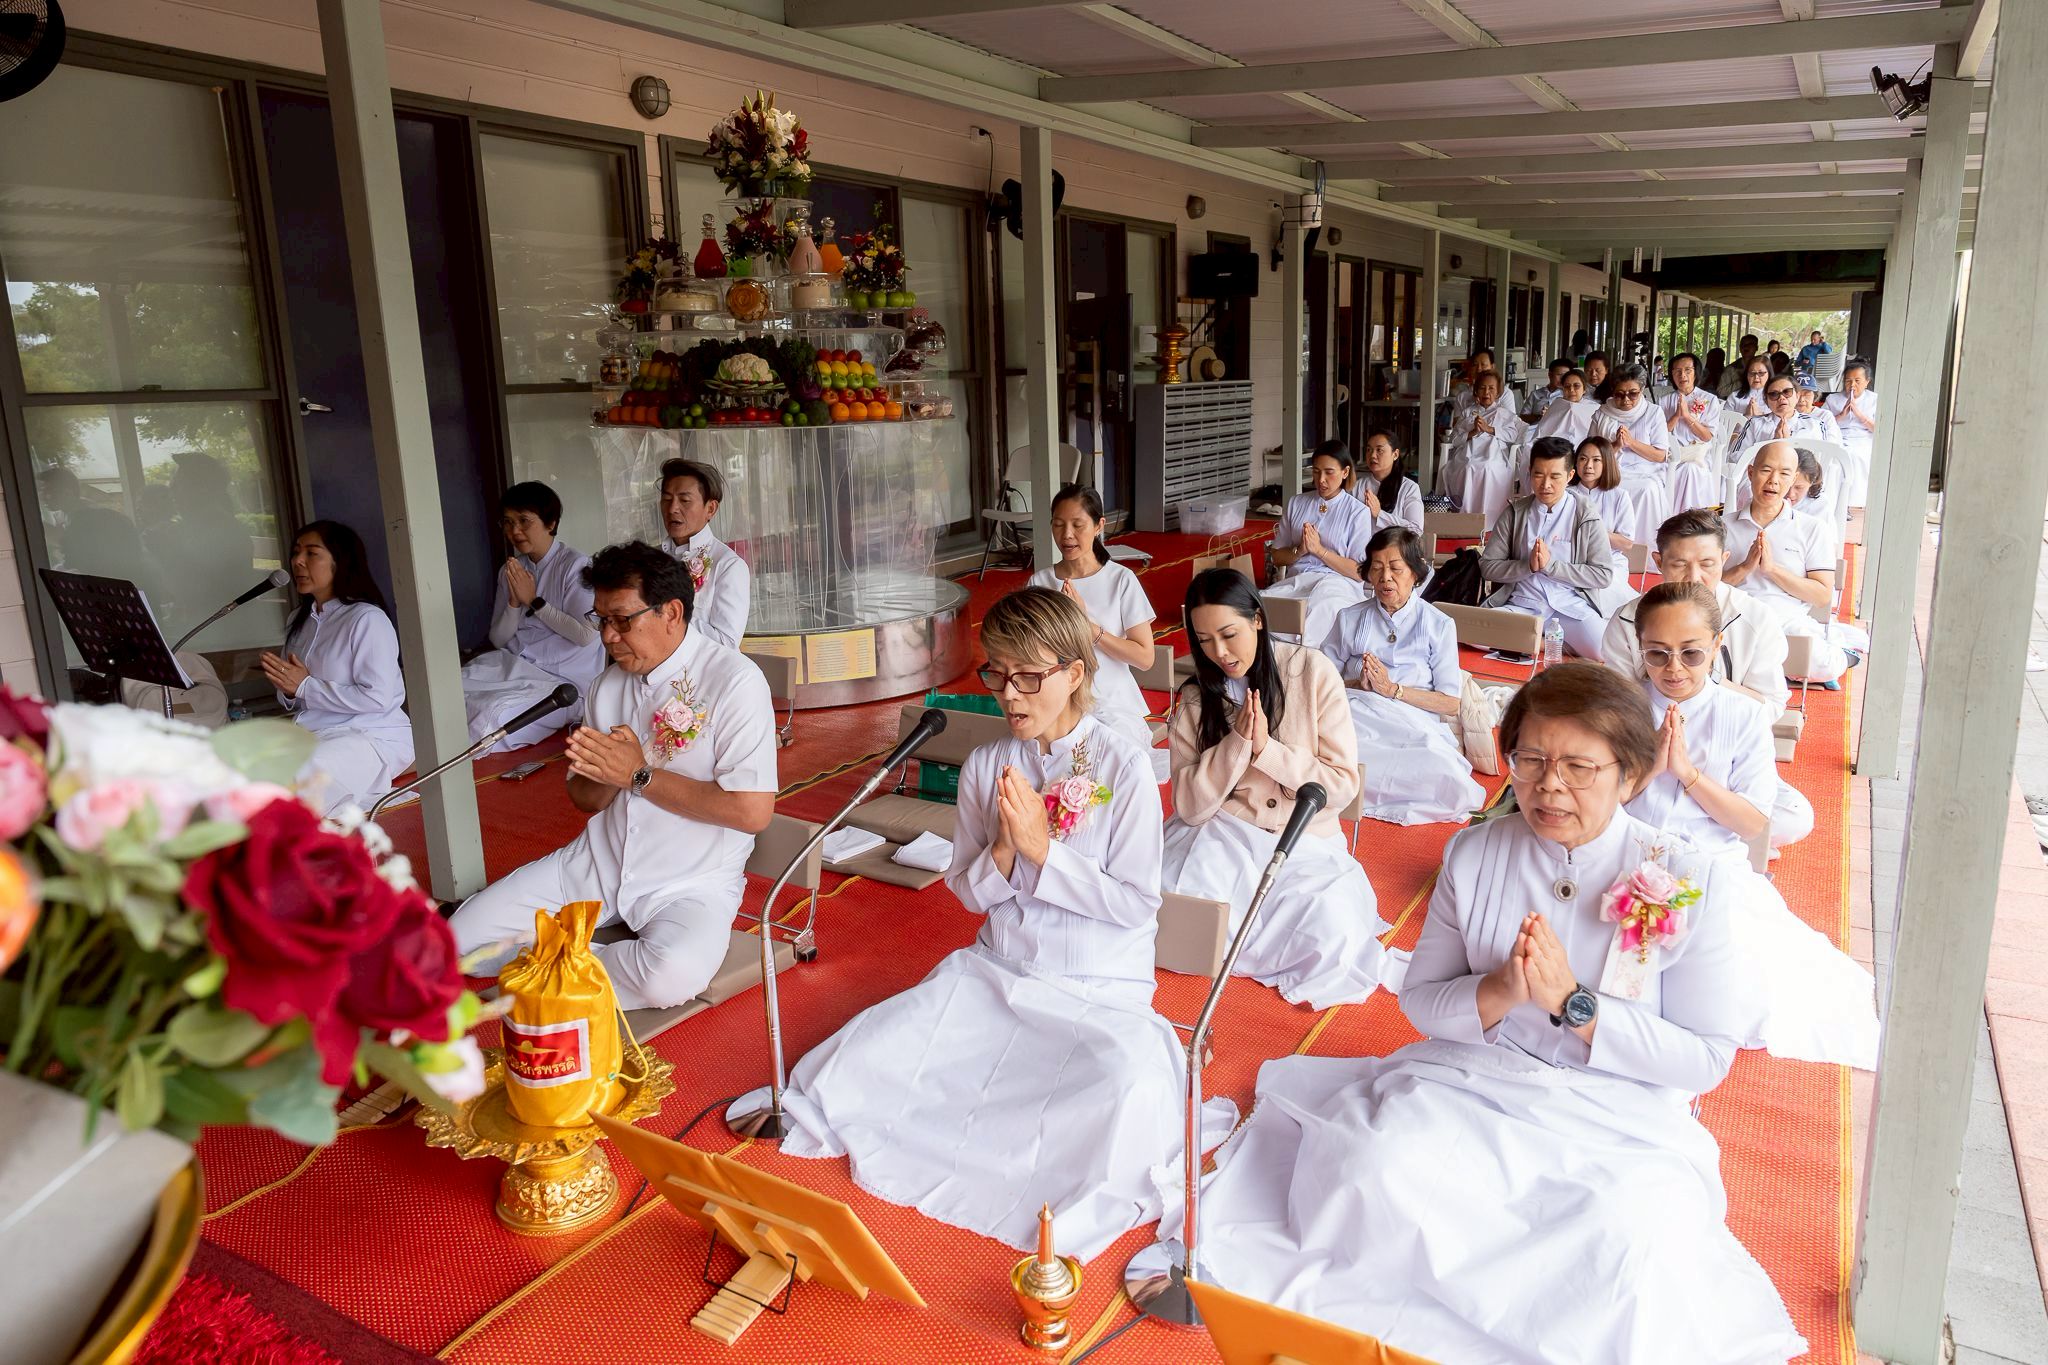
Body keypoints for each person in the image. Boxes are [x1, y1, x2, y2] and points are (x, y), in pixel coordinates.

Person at [1188, 663, 1805, 1364]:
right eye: (1531, 759)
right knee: (1369, 1168)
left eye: (1578, 766)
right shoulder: (1476, 852)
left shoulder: (1684, 875)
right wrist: (1500, 991)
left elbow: (1706, 1057)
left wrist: (1576, 1004)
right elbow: (1421, 1000)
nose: (1548, 785)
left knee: (1624, 1250)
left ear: (1631, 775)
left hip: (1620, 1113)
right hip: (1476, 1079)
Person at [735, 588, 1216, 1260]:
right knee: (880, 1040)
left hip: (1098, 987)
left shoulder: (1123, 764)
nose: (1009, 695)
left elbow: (1136, 903)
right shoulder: (989, 763)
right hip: (998, 971)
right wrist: (1004, 848)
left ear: (1075, 673)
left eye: (1028, 676)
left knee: (1123, 1084)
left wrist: (1046, 851)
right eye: (997, 672)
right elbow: (966, 889)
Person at [450, 542, 777, 1011]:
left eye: (623, 620)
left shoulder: (734, 682)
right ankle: (571, 965)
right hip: (596, 863)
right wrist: (606, 773)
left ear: (672, 612)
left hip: (690, 881)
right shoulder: (606, 686)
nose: (607, 637)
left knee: (669, 976)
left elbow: (751, 811)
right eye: (601, 620)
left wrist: (638, 774)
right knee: (459, 940)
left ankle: (556, 962)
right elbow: (584, 798)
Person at [1627, 583, 1877, 1069]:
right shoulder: (1619, 707)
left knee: (1731, 994)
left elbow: (1752, 822)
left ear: (1717, 646)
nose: (1674, 669)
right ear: (1640, 648)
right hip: (1624, 857)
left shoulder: (1741, 715)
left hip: (1711, 868)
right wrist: (1652, 769)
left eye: (1691, 654)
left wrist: (1687, 773)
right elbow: (1596, 805)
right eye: (1657, 655)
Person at [1162, 569, 1388, 1007]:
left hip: (1302, 839)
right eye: (1204, 641)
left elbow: (1341, 786)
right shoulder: (1195, 697)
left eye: (1229, 634)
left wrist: (1268, 751)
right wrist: (1236, 745)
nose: (1220, 653)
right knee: (1172, 918)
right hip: (1222, 835)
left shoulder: (1311, 671)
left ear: (1258, 620)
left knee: (1332, 936)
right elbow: (1188, 807)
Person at [1602, 510, 1809, 851]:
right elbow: (1613, 703)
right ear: (1658, 561)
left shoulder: (1755, 618)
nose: (1693, 577)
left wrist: (1704, 686)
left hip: (1724, 753)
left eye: (1708, 564)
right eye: (1679, 564)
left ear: (1725, 560)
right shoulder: (1627, 618)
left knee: (1794, 816)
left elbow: (1770, 704)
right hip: (1644, 745)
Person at [1318, 528, 1483, 826]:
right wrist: (1358, 685)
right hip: (1356, 712)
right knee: (1328, 745)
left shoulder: (1439, 624)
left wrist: (1392, 689)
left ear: (1415, 574)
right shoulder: (1349, 618)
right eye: (1377, 568)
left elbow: (1450, 704)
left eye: (1395, 568)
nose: (1385, 578)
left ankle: (1353, 788)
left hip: (1412, 722)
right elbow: (1320, 681)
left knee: (1446, 773)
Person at [264, 520, 413, 815]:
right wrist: (290, 690)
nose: (297, 561)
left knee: (295, 781)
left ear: (340, 561)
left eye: (311, 553)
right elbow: (295, 693)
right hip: (313, 732)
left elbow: (377, 698)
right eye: (296, 552)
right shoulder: (300, 619)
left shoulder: (366, 619)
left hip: (369, 736)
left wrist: (305, 686)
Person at [459, 482, 604, 752]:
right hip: (513, 665)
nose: (514, 531)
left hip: (562, 680)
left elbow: (586, 635)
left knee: (493, 718)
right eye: (508, 522)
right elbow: (499, 639)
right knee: (450, 693)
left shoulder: (576, 565)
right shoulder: (511, 570)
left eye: (524, 521)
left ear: (550, 523)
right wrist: (514, 603)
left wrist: (534, 601)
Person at [1027, 483, 1156, 752]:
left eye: (1078, 525)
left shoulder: (1121, 579)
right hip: (1057, 705)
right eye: (1058, 525)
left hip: (1112, 705)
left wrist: (1088, 629)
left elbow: (1145, 658)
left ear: (1099, 525)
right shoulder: (1040, 582)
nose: (1067, 535)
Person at [1722, 443, 1862, 683]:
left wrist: (1773, 570)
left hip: (1786, 619)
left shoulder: (1812, 528)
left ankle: (1840, 655)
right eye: (1766, 470)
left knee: (1820, 663)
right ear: (1750, 472)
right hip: (1733, 615)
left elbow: (1821, 595)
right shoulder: (1722, 526)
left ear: (1793, 478)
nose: (1773, 481)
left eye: (1784, 473)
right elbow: (1704, 587)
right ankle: (1780, 671)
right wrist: (1744, 569)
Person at [1479, 437, 1615, 661]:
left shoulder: (1585, 514)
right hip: (1523, 604)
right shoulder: (1515, 512)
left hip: (1570, 607)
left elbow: (1603, 574)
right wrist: (1527, 567)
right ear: (1530, 472)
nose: (1545, 485)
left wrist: (1552, 566)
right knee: (1473, 633)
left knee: (1604, 651)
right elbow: (1488, 567)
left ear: (1571, 475)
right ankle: (1551, 644)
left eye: (1555, 476)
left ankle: (1531, 643)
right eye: (1538, 475)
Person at [1264, 440, 1372, 648]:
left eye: (1329, 472)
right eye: (1316, 472)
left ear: (1345, 472)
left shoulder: (1357, 512)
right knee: (1261, 601)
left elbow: (1359, 572)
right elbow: (1276, 556)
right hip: (1299, 581)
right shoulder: (1297, 503)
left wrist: (1320, 551)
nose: (1321, 480)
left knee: (1320, 607)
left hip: (1339, 584)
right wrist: (1300, 550)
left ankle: (1303, 659)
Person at [658, 458, 750, 649]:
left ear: (710, 508)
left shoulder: (728, 565)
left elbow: (727, 643)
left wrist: (665, 612)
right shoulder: (651, 559)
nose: (672, 509)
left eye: (684, 500)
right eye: (667, 499)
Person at [1591, 362, 1672, 545]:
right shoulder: (1602, 413)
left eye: (1633, 394)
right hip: (1610, 469)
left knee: (1646, 489)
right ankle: (1604, 547)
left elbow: (1660, 455)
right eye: (1620, 394)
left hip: (1646, 471)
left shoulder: (1653, 412)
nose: (1626, 399)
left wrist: (1631, 443)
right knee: (1604, 487)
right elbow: (1592, 452)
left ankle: (1641, 549)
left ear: (1642, 389)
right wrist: (1616, 446)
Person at [1443, 370, 1524, 528]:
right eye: (1482, 388)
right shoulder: (1467, 413)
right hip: (1469, 451)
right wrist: (1472, 432)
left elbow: (1512, 435)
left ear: (1498, 392)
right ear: (1476, 391)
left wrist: (1489, 429)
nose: (1487, 392)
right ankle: (1465, 520)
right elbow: (1455, 439)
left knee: (1488, 468)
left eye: (1491, 388)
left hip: (1494, 452)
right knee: (1468, 467)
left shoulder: (1504, 414)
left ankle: (1489, 520)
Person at [1658, 352, 1725, 515]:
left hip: (1698, 457)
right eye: (1677, 371)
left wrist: (1687, 417)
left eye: (1688, 370)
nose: (1683, 375)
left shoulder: (1708, 399)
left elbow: (1707, 436)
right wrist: (1676, 416)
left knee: (1690, 470)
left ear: (1696, 372)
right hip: (1671, 455)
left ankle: (1690, 517)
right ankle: (1668, 517)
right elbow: (1659, 434)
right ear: (1671, 374)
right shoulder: (1664, 401)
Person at [1823, 358, 1878, 507]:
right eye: (1848, 381)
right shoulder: (1833, 399)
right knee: (1834, 457)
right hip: (1838, 435)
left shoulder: (1874, 400)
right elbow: (1821, 425)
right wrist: (1841, 415)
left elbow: (1879, 429)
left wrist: (1859, 415)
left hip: (1864, 437)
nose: (1852, 385)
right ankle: (1834, 501)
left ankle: (1855, 502)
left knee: (1857, 456)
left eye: (1857, 381)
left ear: (1867, 382)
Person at [1350, 428, 1423, 534]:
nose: (1372, 455)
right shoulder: (1356, 487)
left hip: (1396, 549)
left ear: (1395, 454)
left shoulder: (1409, 488)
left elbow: (1416, 530)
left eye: (1379, 450)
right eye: (1369, 450)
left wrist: (1380, 515)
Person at [1737, 375, 1832, 452]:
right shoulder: (1754, 423)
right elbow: (1735, 457)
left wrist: (1788, 445)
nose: (1781, 398)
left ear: (1797, 396)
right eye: (1774, 394)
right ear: (1766, 400)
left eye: (1787, 392)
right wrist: (1772, 446)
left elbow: (1823, 461)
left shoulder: (1815, 425)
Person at [1532, 367, 1597, 453]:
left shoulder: (1594, 408)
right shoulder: (1557, 405)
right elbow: (1542, 432)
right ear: (1562, 388)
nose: (1571, 390)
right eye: (1567, 386)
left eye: (1576, 386)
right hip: (1554, 449)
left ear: (1584, 389)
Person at [1793, 375, 1843, 444]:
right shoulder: (1785, 414)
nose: (1801, 399)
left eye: (1807, 394)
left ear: (1815, 396)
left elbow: (1832, 443)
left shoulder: (1824, 416)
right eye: (1797, 394)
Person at [1522, 358, 1570, 422]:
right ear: (1550, 375)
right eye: (1559, 375)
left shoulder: (1569, 396)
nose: (1562, 379)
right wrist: (1539, 416)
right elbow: (1522, 417)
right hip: (1535, 429)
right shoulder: (1535, 394)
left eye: (1565, 376)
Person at [1727, 355, 1773, 422]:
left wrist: (1761, 414)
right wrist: (1747, 415)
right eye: (1752, 373)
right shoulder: (1734, 397)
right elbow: (1724, 427)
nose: (1756, 377)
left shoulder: (1776, 398)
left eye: (1761, 373)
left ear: (1769, 374)